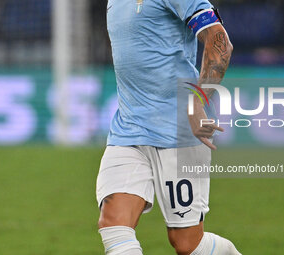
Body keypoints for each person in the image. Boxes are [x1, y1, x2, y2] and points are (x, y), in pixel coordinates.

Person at [96, 0, 241, 254]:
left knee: (187, 244)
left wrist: (198, 102)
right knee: (113, 225)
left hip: (178, 131)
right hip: (128, 129)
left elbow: (220, 42)